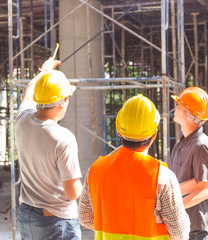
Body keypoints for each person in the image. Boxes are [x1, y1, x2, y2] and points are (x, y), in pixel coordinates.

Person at [79, 94, 190, 240]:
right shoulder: (161, 176)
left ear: (119, 131)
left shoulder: (95, 170)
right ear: (154, 134)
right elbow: (179, 233)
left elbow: (84, 218)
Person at [15, 57, 83, 240]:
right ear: (62, 102)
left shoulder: (22, 120)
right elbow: (72, 193)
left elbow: (29, 92)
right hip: (56, 221)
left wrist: (44, 72)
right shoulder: (63, 138)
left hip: (26, 215)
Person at [168, 87, 208, 240]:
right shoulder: (180, 145)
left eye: (179, 106)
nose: (175, 108)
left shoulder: (201, 146)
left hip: (197, 230)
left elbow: (204, 190)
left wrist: (174, 209)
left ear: (187, 115)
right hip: (183, 224)